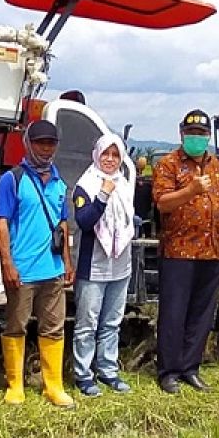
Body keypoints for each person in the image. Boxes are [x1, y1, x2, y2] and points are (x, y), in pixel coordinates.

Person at [0, 119, 75, 408]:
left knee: (54, 327)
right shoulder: (12, 179)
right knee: (16, 325)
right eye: (40, 142)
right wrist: (7, 263)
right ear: (28, 143)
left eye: (51, 143)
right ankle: (15, 385)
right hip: (23, 268)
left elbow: (63, 224)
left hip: (52, 269)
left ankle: (53, 386)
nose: (45, 148)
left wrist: (67, 261)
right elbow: (1, 222)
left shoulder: (58, 181)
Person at [152, 110, 219, 394]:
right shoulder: (169, 164)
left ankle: (190, 368)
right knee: (174, 313)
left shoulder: (216, 165)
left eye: (201, 134)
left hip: (209, 252)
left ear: (208, 136)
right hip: (179, 251)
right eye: (191, 133)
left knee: (201, 314)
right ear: (181, 133)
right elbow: (162, 203)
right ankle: (169, 371)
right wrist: (191, 190)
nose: (196, 138)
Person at [71, 133, 135, 397]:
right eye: (105, 154)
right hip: (93, 265)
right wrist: (102, 197)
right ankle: (83, 374)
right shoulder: (85, 185)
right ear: (96, 155)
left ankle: (108, 370)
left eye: (115, 155)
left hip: (120, 264)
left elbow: (129, 215)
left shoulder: (125, 184)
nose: (110, 160)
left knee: (112, 322)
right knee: (87, 323)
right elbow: (85, 221)